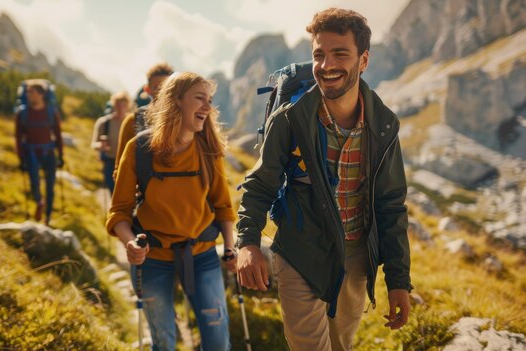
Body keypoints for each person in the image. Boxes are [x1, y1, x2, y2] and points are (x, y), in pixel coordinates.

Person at [235, 8, 412, 351]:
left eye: (339, 53)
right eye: (319, 54)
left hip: (357, 260)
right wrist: (248, 243)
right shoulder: (291, 119)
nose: (326, 64)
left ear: (363, 61)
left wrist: (398, 281)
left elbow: (391, 204)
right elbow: (261, 185)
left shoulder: (384, 125)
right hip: (301, 253)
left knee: (340, 346)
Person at [106, 72, 236, 351]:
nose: (207, 107)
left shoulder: (208, 150)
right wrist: (130, 243)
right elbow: (119, 212)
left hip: (202, 254)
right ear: (175, 101)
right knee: (163, 341)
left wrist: (230, 247)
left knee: (217, 339)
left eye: (209, 101)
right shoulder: (139, 148)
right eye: (199, 98)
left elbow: (223, 206)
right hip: (152, 258)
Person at [15, 82, 64, 226]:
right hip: (31, 154)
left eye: (32, 92)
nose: (29, 95)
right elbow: (18, 137)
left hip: (49, 153)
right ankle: (39, 202)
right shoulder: (22, 113)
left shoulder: (51, 112)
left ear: (42, 94)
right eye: (28, 92)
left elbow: (58, 135)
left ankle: (47, 217)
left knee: (50, 187)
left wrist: (60, 155)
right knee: (34, 185)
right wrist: (21, 158)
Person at [113, 62, 174, 179]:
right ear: (147, 89)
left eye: (166, 87)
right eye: (157, 87)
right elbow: (121, 164)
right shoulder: (133, 120)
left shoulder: (184, 121)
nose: (162, 92)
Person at [90, 91, 131, 193]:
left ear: (128, 105)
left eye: (123, 105)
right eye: (118, 105)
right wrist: (101, 146)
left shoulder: (132, 122)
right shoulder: (104, 122)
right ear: (113, 105)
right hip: (109, 162)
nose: (121, 108)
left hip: (127, 162)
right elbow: (94, 144)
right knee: (113, 191)